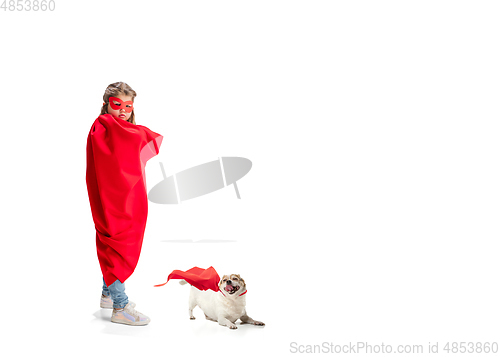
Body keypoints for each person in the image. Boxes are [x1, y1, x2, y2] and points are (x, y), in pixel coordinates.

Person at [86, 82, 163, 326]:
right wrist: (140, 133)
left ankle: (108, 295)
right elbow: (132, 141)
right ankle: (120, 307)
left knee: (111, 243)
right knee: (116, 245)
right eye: (117, 105)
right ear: (106, 105)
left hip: (121, 196)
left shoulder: (118, 128)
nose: (122, 111)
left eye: (128, 106)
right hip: (114, 199)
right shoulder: (105, 126)